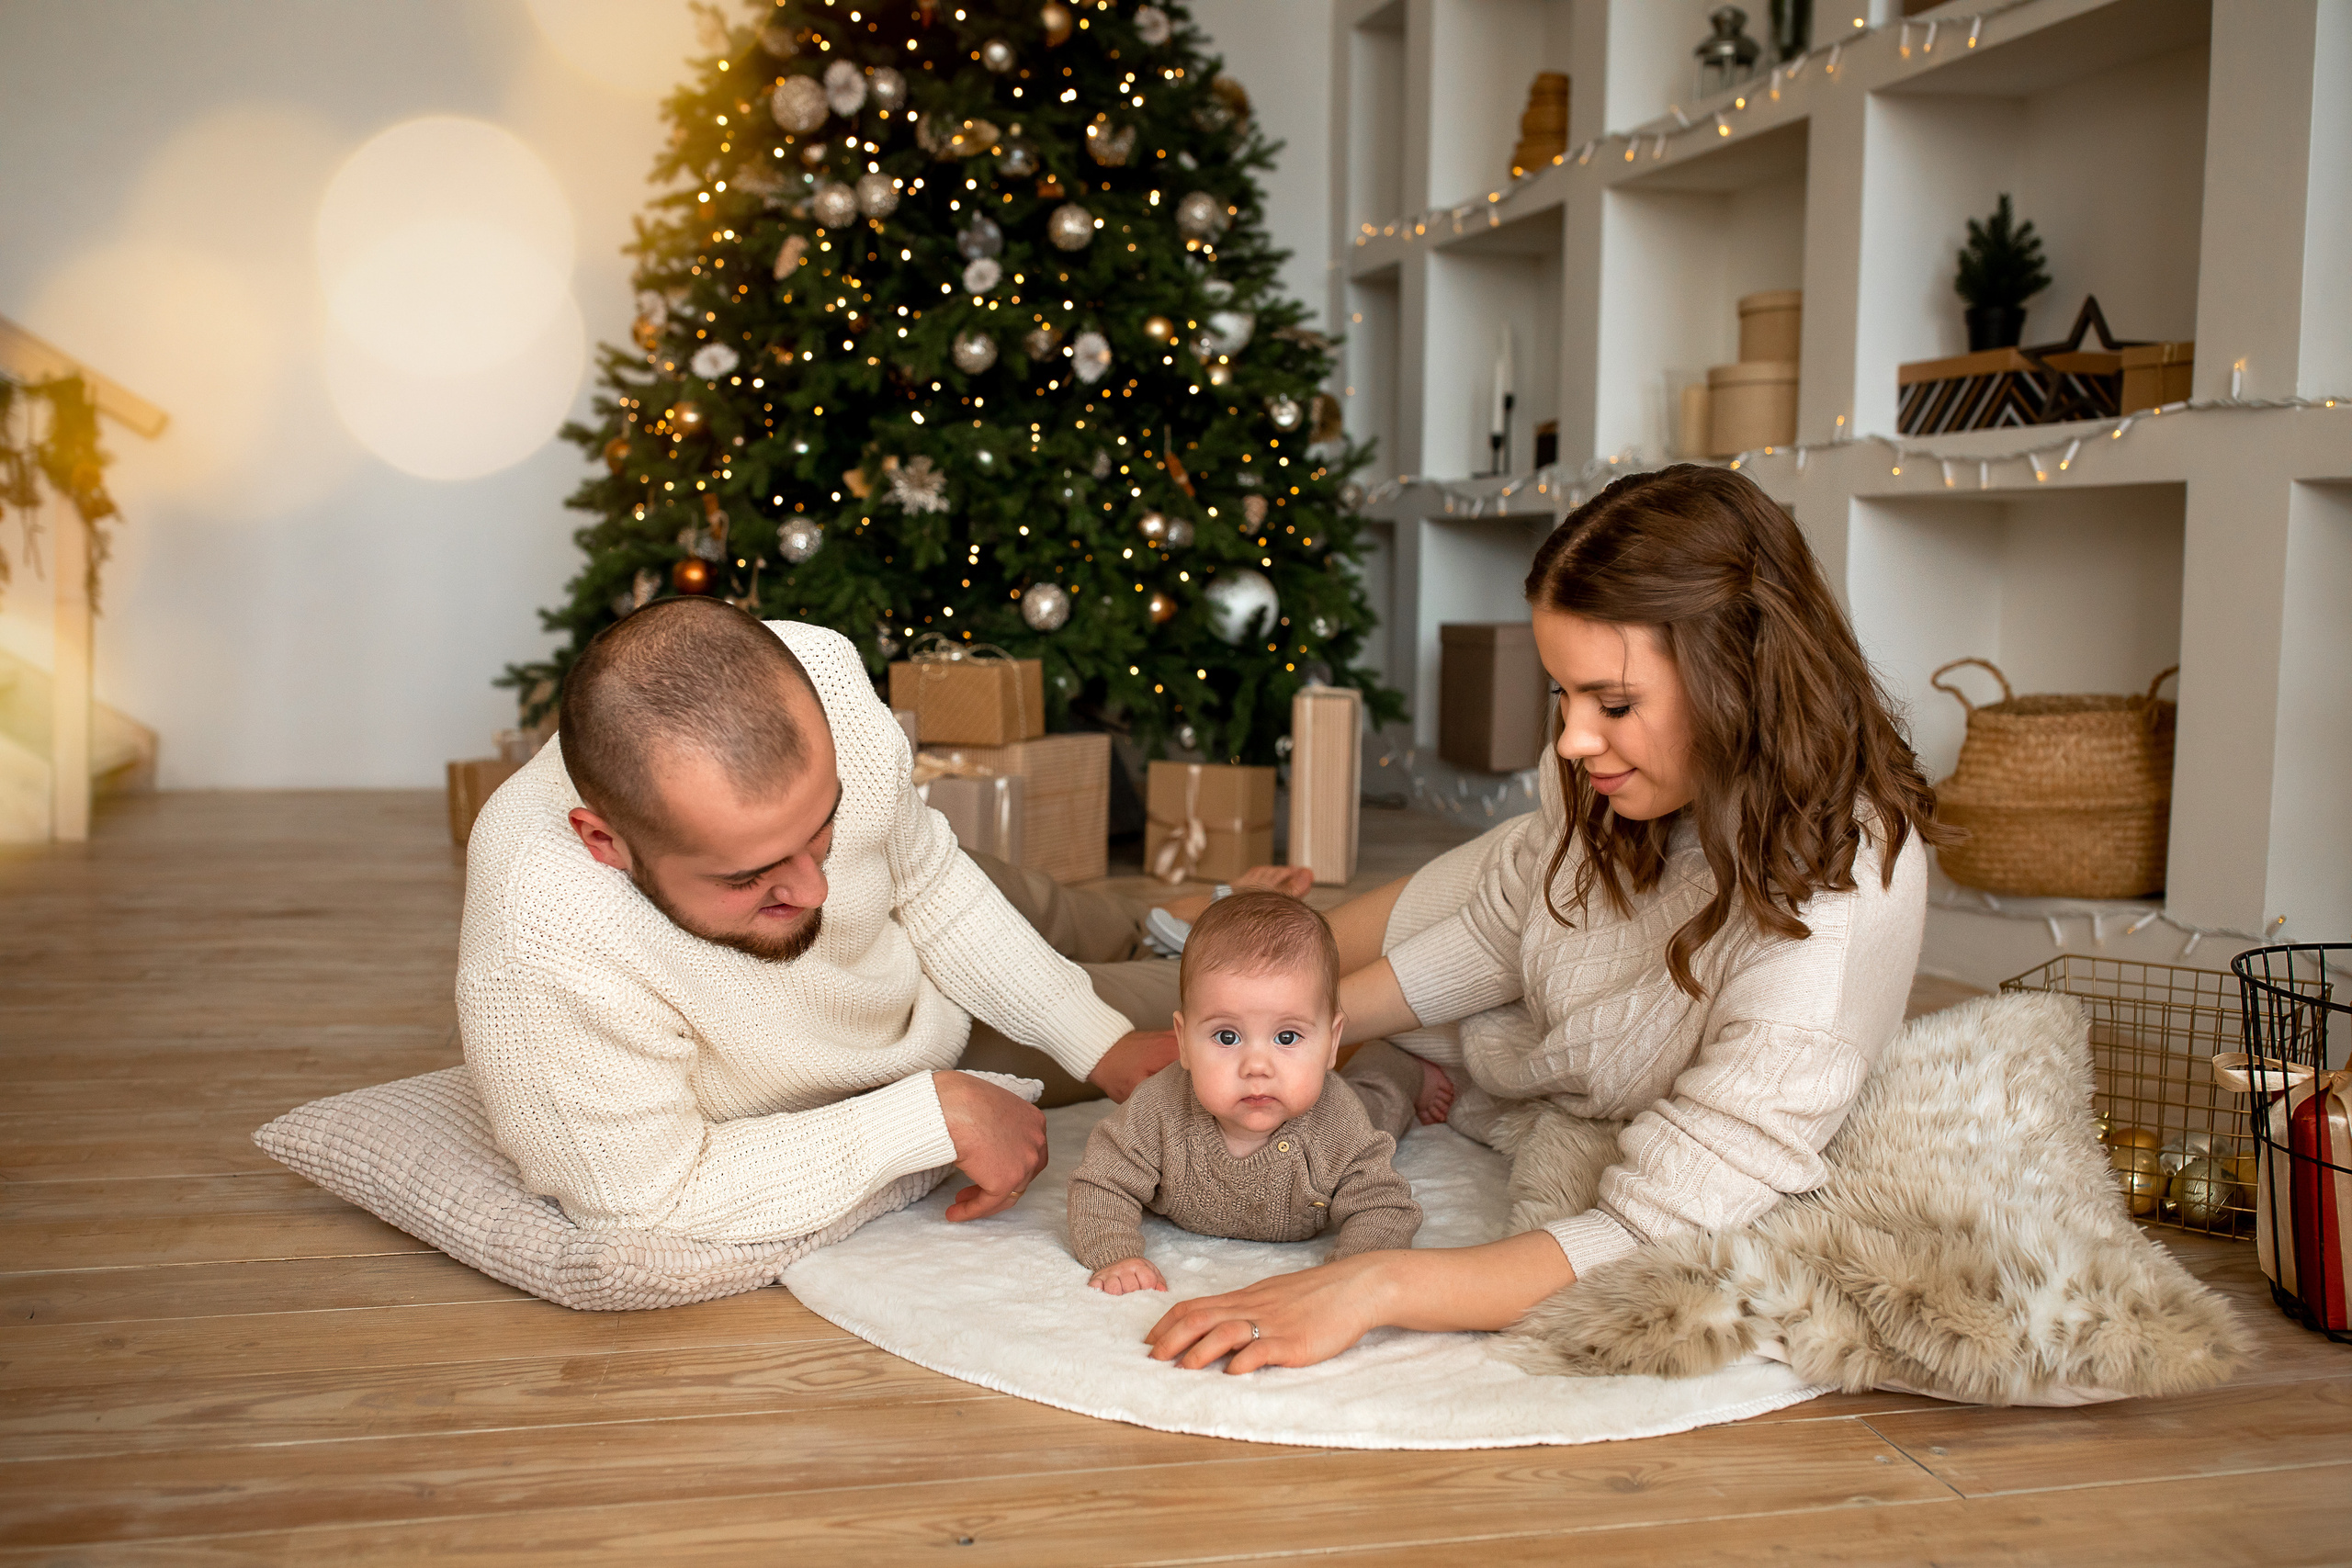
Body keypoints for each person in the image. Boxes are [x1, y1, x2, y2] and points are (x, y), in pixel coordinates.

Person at [1141, 465, 1952, 1372]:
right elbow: (1501, 931)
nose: (1570, 739)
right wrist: (1302, 1035)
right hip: (1505, 899)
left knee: (1227, 1002)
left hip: (1540, 1009)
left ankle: (1154, 936)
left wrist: (1374, 1285)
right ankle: (1148, 927)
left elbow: (1651, 1229)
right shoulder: (1608, 773)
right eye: (1561, 696)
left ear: (1739, 675)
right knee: (1215, 997)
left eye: (1611, 703)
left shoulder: (1825, 924)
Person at [456, 598, 1287, 1247]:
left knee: (1073, 911)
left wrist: (1087, 1036)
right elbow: (645, 1198)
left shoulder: (821, 675)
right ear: (606, 842)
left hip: (920, 888)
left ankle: (1167, 914)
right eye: (750, 873)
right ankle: (1276, 934)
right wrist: (932, 1113)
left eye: (822, 822)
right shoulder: (542, 943)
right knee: (1244, 1002)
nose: (814, 887)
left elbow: (922, 877)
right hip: (886, 1030)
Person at [1067, 893, 1431, 1294]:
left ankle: (1399, 1062)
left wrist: (1349, 1276)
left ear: (1330, 1043)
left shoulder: (1339, 1125)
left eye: (1287, 1036)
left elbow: (1382, 1207)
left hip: (1351, 1107)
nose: (1257, 1066)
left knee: (1381, 1101)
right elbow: (1102, 1182)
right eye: (1227, 1036)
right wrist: (1115, 1253)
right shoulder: (1159, 1110)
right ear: (1184, 1041)